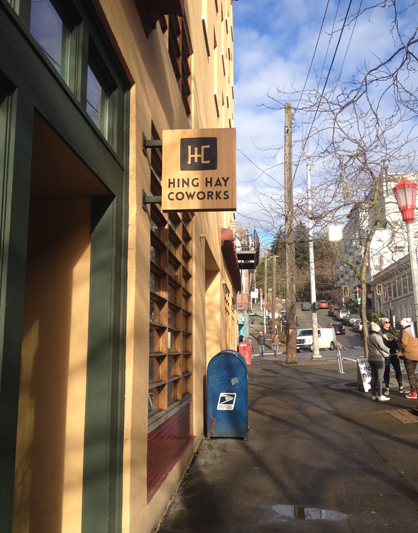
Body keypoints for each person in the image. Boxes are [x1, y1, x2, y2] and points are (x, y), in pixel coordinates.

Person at [379, 317, 405, 395]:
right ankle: (387, 388)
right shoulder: (380, 331)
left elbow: (396, 340)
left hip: (393, 352)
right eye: (386, 322)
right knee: (386, 371)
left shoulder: (392, 331)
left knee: (398, 370)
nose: (388, 323)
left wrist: (397, 340)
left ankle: (401, 386)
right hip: (385, 353)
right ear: (383, 323)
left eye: (389, 322)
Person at [368, 322, 391, 401]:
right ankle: (380, 395)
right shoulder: (377, 336)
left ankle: (373, 395)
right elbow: (382, 346)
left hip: (371, 357)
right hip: (378, 358)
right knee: (379, 377)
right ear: (378, 329)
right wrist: (387, 350)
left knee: (373, 376)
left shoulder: (369, 336)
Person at [397, 318, 418, 399]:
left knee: (410, 374)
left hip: (409, 355)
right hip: (416, 354)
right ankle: (417, 389)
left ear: (404, 324)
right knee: (413, 373)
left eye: (402, 324)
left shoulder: (405, 331)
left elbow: (404, 343)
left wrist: (399, 347)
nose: (401, 326)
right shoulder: (415, 330)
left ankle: (413, 392)